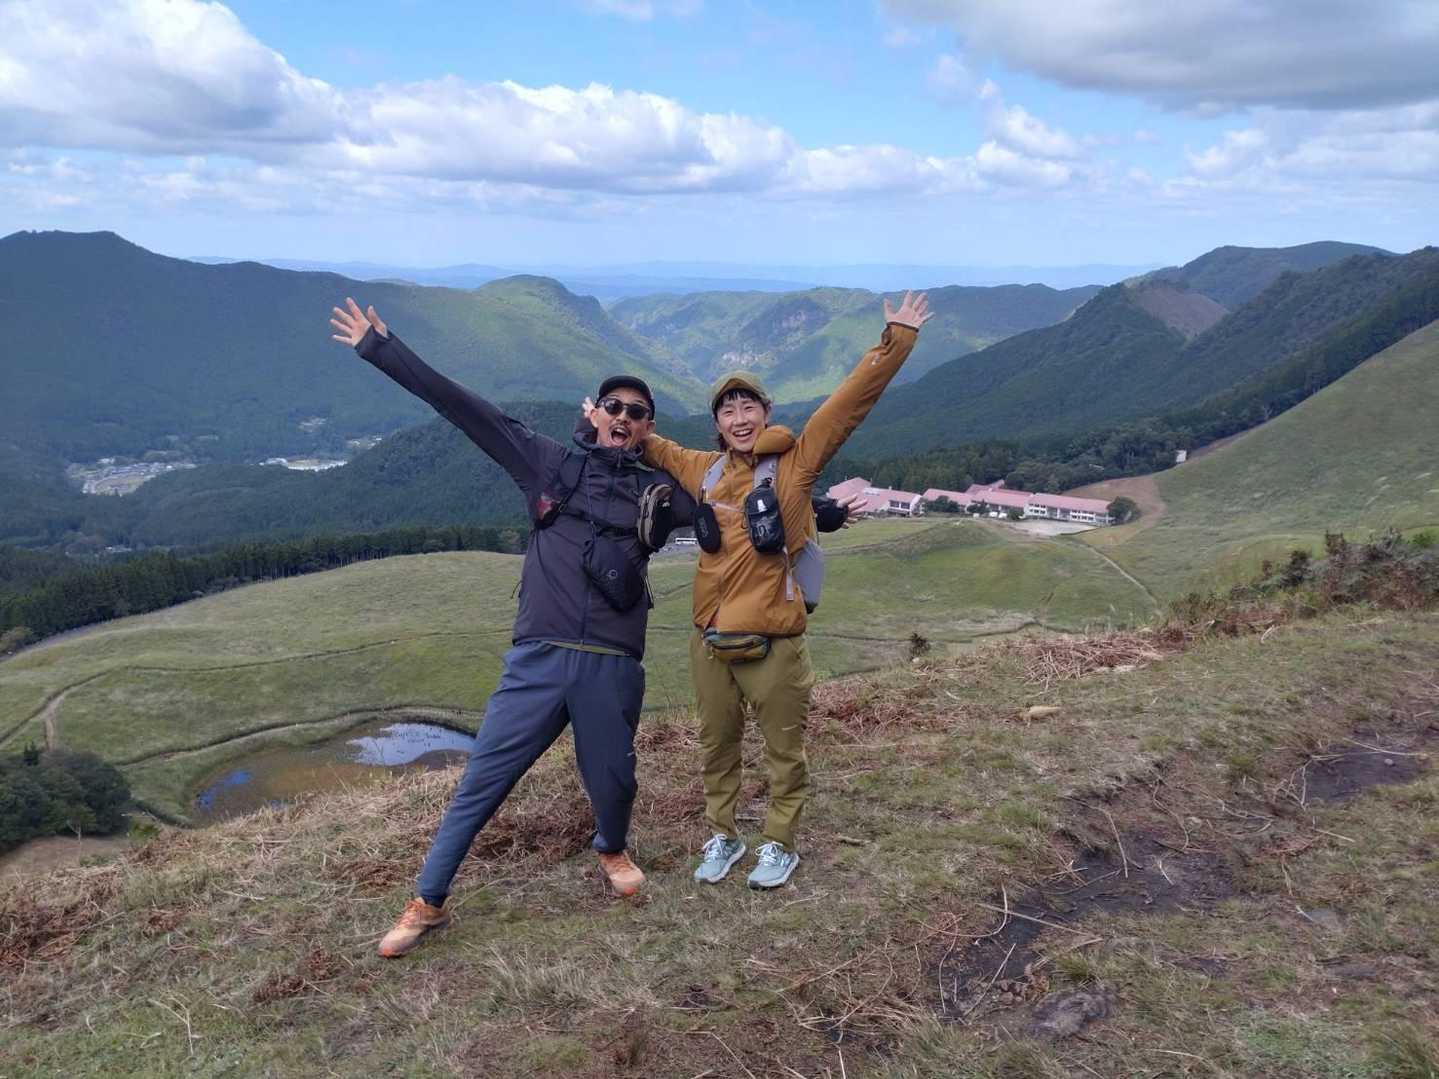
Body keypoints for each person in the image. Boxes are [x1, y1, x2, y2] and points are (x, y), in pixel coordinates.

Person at [328, 297, 686, 958]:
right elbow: (466, 409)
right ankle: (427, 901)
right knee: (481, 783)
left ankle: (610, 847)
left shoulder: (656, 493)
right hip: (539, 658)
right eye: (614, 406)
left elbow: (737, 498)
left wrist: (821, 508)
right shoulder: (548, 464)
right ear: (594, 413)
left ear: (647, 430)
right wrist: (383, 349)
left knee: (614, 779)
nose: (624, 417)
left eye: (637, 413)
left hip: (612, 662)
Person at [632, 291, 932, 889]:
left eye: (749, 406)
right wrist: (610, 422)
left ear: (766, 413)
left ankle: (780, 842)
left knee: (782, 751)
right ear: (717, 425)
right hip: (709, 640)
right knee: (716, 746)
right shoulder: (705, 470)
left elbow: (847, 407)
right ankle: (724, 834)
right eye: (728, 410)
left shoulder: (796, 465)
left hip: (775, 642)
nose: (739, 417)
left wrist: (896, 339)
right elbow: (654, 446)